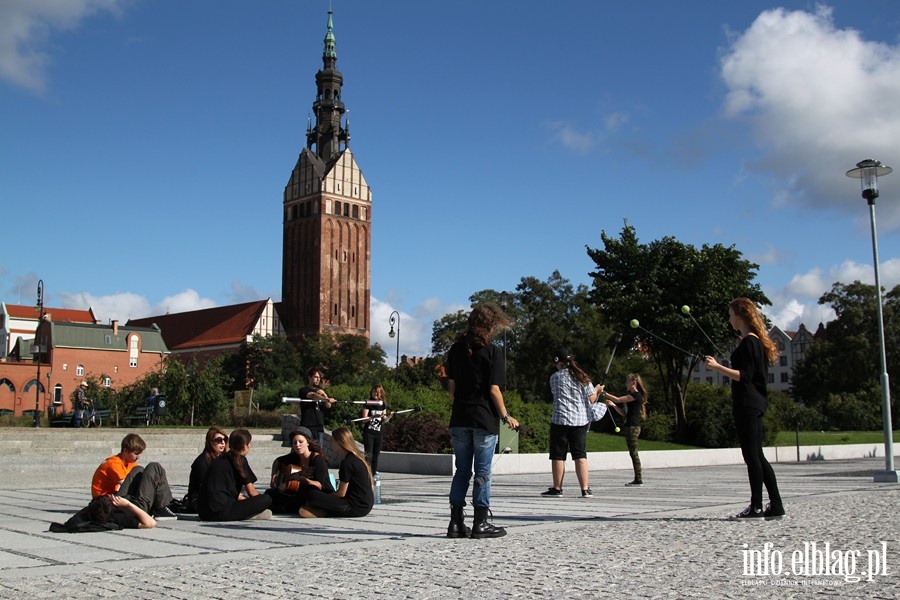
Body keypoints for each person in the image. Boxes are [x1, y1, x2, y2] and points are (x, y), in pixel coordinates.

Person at [704, 297, 785, 520]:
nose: (729, 319)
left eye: (730, 315)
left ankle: (756, 507)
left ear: (740, 316)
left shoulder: (749, 343)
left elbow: (745, 376)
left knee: (752, 456)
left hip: (747, 403)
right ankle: (776, 505)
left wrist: (718, 367)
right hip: (756, 402)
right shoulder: (755, 341)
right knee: (758, 455)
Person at [445, 302, 519, 539]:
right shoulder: (493, 352)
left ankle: (455, 523)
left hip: (459, 417)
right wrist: (506, 416)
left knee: (462, 471)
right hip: (483, 419)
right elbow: (494, 390)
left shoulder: (455, 350)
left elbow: (452, 388)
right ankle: (480, 523)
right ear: (491, 325)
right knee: (482, 473)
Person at [542, 349, 603, 499]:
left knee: (558, 456)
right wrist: (598, 390)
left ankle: (557, 488)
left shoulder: (554, 378)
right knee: (580, 455)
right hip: (580, 421)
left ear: (559, 363)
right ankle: (585, 489)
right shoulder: (583, 377)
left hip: (560, 420)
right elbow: (592, 399)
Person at [91, 433, 178, 520]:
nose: (139, 457)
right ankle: (157, 507)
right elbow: (126, 484)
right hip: (108, 503)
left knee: (140, 470)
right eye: (136, 453)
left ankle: (159, 506)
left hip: (117, 500)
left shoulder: (130, 463)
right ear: (125, 451)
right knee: (154, 467)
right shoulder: (113, 463)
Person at [198, 429, 272, 521]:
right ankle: (249, 515)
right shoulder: (240, 460)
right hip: (221, 511)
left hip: (204, 512)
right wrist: (257, 504)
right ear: (246, 446)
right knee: (266, 498)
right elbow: (252, 493)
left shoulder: (221, 459)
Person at [299, 427, 374, 518]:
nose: (331, 445)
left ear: (339, 442)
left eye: (332, 441)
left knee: (312, 494)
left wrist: (325, 497)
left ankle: (323, 510)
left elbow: (341, 493)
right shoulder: (357, 459)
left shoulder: (347, 463)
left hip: (354, 507)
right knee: (322, 493)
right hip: (365, 506)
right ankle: (322, 509)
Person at [266, 427, 335, 514]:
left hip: (319, 493)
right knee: (270, 493)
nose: (297, 445)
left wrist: (301, 479)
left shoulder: (317, 459)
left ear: (308, 443)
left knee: (303, 496)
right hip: (298, 493)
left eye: (301, 442)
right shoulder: (295, 456)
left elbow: (319, 485)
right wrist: (273, 477)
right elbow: (277, 461)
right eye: (294, 443)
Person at [601, 374, 649, 486]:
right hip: (630, 426)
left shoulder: (636, 395)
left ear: (633, 382)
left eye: (627, 381)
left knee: (634, 453)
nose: (625, 384)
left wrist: (603, 393)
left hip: (633, 427)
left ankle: (638, 479)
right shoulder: (632, 396)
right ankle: (637, 478)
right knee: (633, 453)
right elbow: (624, 413)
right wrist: (613, 406)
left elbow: (618, 399)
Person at [51, 494, 157, 533]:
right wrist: (128, 504)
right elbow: (150, 523)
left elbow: (71, 523)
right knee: (154, 467)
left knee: (137, 470)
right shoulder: (119, 516)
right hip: (141, 506)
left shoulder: (90, 512)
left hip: (128, 500)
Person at [182, 427, 229, 513]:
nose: (223, 442)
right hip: (200, 500)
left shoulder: (224, 460)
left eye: (225, 439)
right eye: (219, 440)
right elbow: (208, 487)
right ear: (210, 442)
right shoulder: (202, 461)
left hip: (217, 495)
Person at [297, 368, 336, 447]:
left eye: (319, 378)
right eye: (315, 377)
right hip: (307, 427)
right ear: (309, 377)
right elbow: (313, 395)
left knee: (317, 452)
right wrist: (326, 399)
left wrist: (325, 395)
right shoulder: (303, 390)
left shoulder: (321, 393)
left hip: (319, 428)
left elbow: (328, 406)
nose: (318, 379)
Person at [361, 384, 392, 475]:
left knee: (375, 456)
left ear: (381, 394)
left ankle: (373, 474)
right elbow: (363, 420)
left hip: (378, 433)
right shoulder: (368, 404)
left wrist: (389, 417)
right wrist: (372, 417)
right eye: (374, 391)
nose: (375, 394)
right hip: (369, 433)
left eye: (377, 392)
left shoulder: (382, 405)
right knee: (369, 455)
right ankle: (367, 474)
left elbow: (384, 420)